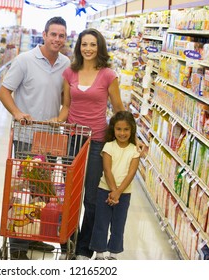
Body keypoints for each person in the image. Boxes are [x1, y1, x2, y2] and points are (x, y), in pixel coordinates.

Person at [0, 16, 71, 260]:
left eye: (61, 35)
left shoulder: (66, 64)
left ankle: (37, 237)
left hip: (50, 138)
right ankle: (18, 245)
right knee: (22, 190)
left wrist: (60, 119)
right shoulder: (24, 60)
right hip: (27, 136)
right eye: (54, 35)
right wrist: (17, 113)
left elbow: (65, 102)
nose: (57, 39)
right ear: (44, 34)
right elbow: (4, 91)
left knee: (43, 192)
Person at [54, 28, 125, 260]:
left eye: (93, 44)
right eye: (84, 44)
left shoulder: (108, 75)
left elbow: (118, 109)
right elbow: (66, 107)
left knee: (92, 199)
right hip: (72, 139)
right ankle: (67, 246)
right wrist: (56, 121)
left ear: (100, 47)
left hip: (96, 142)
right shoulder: (69, 73)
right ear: (79, 47)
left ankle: (85, 248)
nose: (88, 48)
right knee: (70, 195)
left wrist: (129, 140)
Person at [90, 111, 140, 260]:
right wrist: (113, 191)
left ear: (132, 130)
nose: (122, 133)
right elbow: (107, 170)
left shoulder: (134, 150)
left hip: (124, 194)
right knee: (101, 222)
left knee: (118, 224)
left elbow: (131, 173)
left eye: (126, 129)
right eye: (119, 129)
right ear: (113, 129)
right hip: (105, 190)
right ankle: (99, 254)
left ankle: (113, 254)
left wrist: (118, 193)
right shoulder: (108, 146)